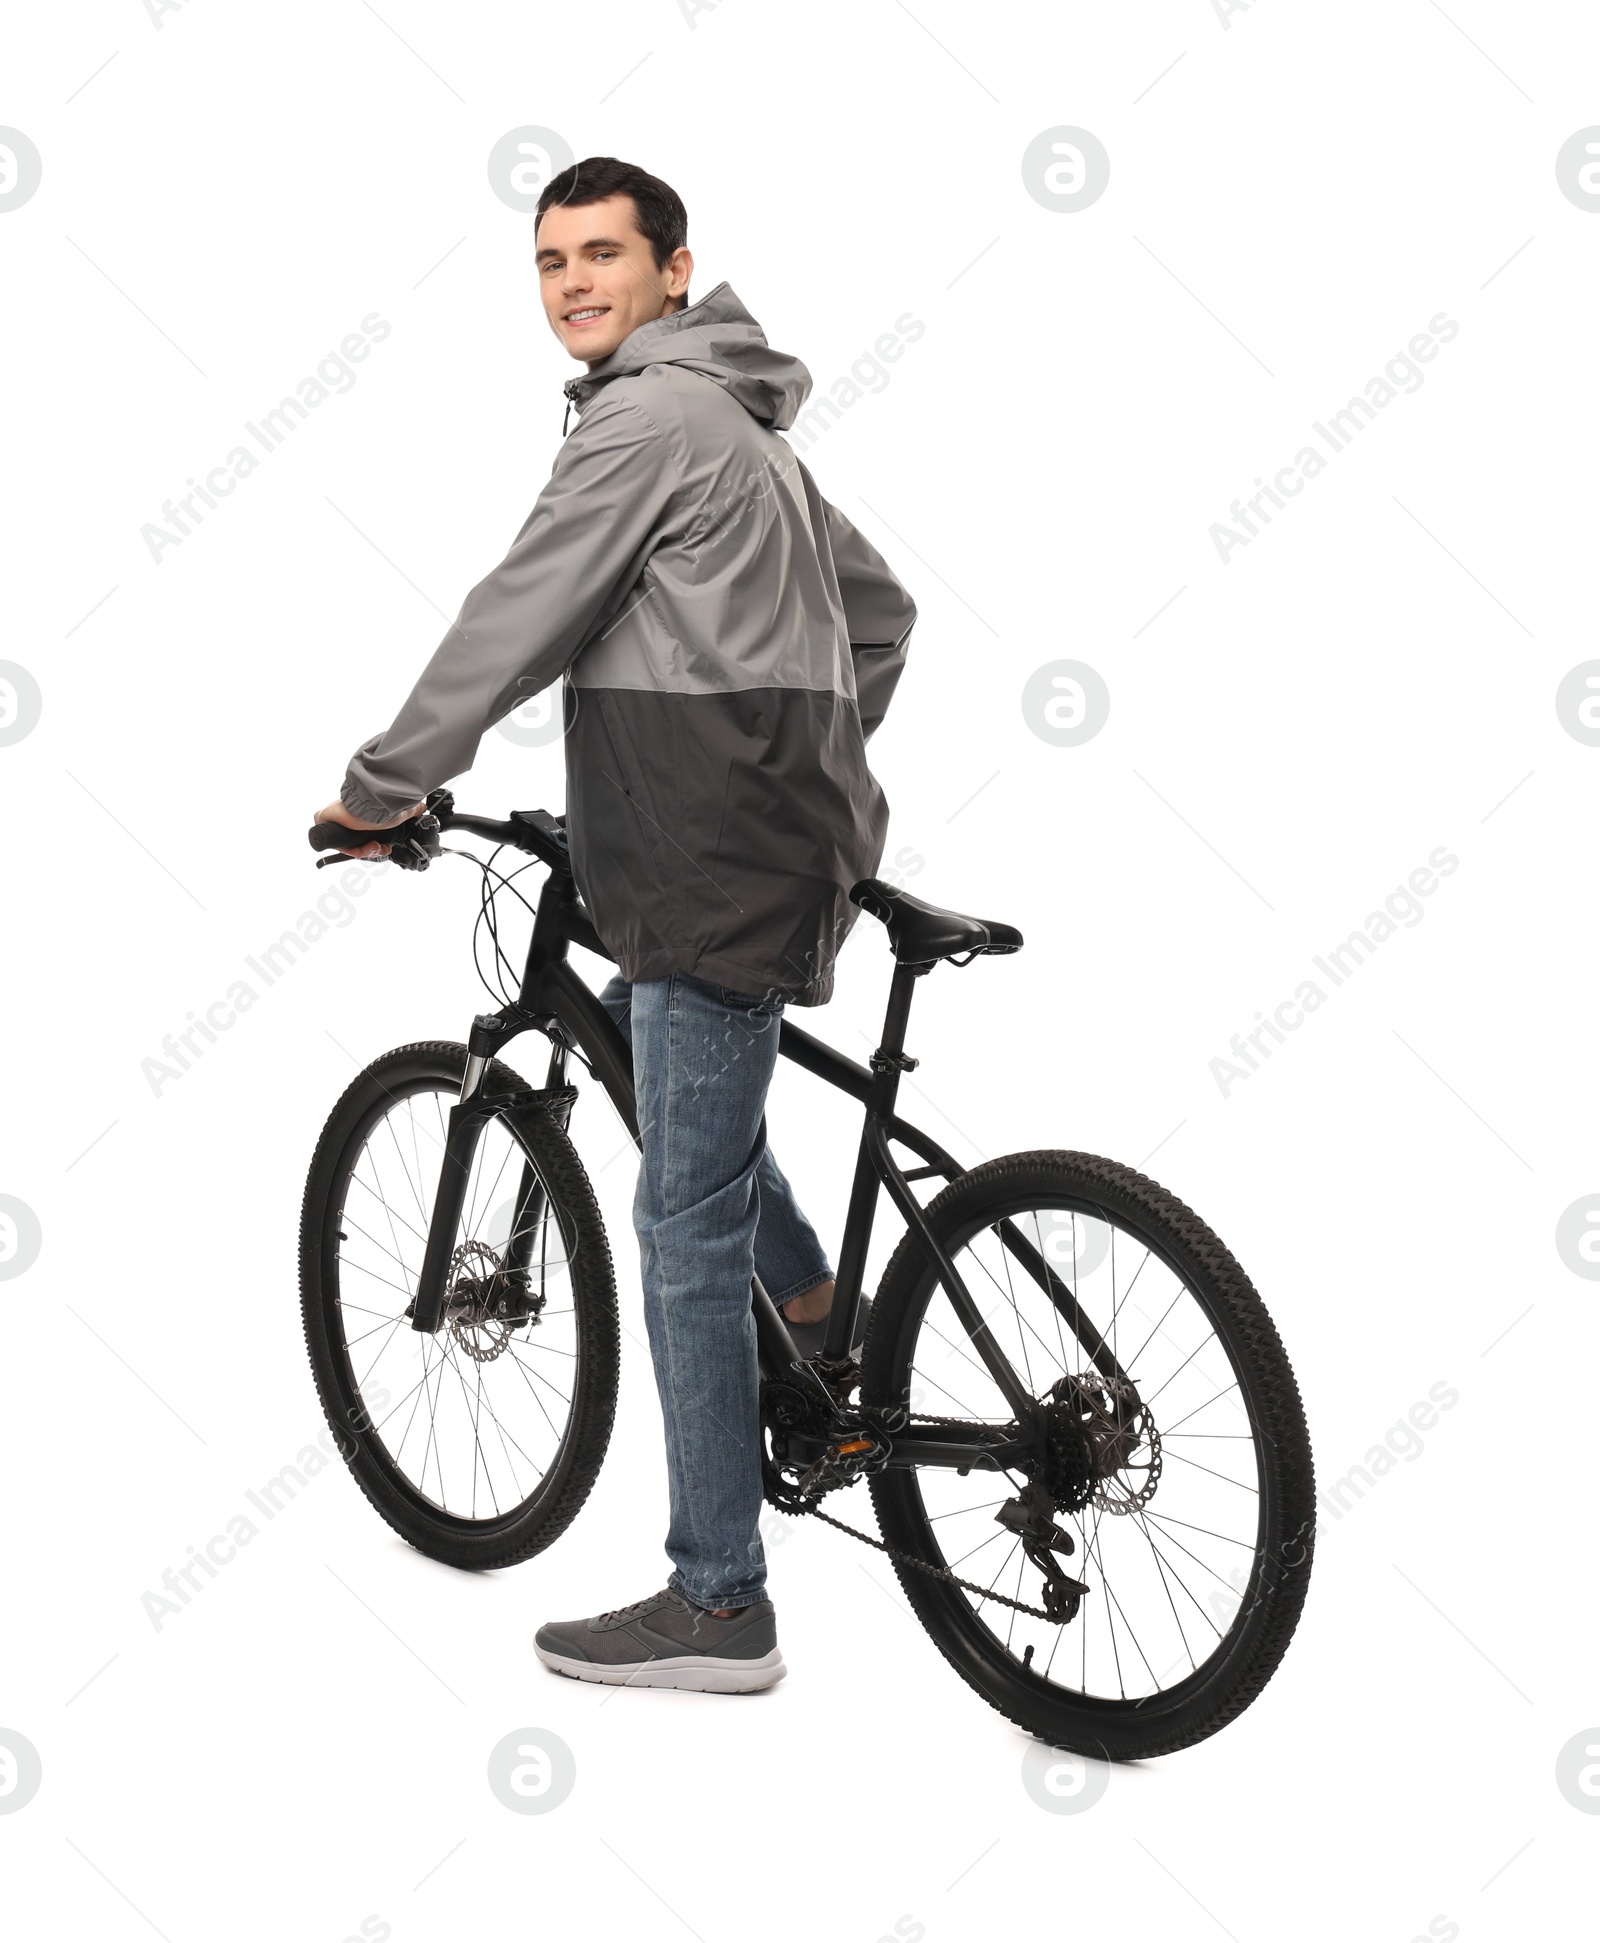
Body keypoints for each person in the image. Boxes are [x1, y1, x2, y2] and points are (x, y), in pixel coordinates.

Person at [314, 156, 916, 1693]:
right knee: (694, 1134)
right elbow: (881, 617)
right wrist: (801, 756)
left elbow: (517, 617)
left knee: (677, 1230)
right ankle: (820, 1311)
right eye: (550, 262)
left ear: (674, 269)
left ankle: (720, 1603)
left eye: (602, 256)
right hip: (736, 842)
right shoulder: (739, 426)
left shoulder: (645, 420)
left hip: (713, 859)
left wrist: (386, 786)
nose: (574, 283)